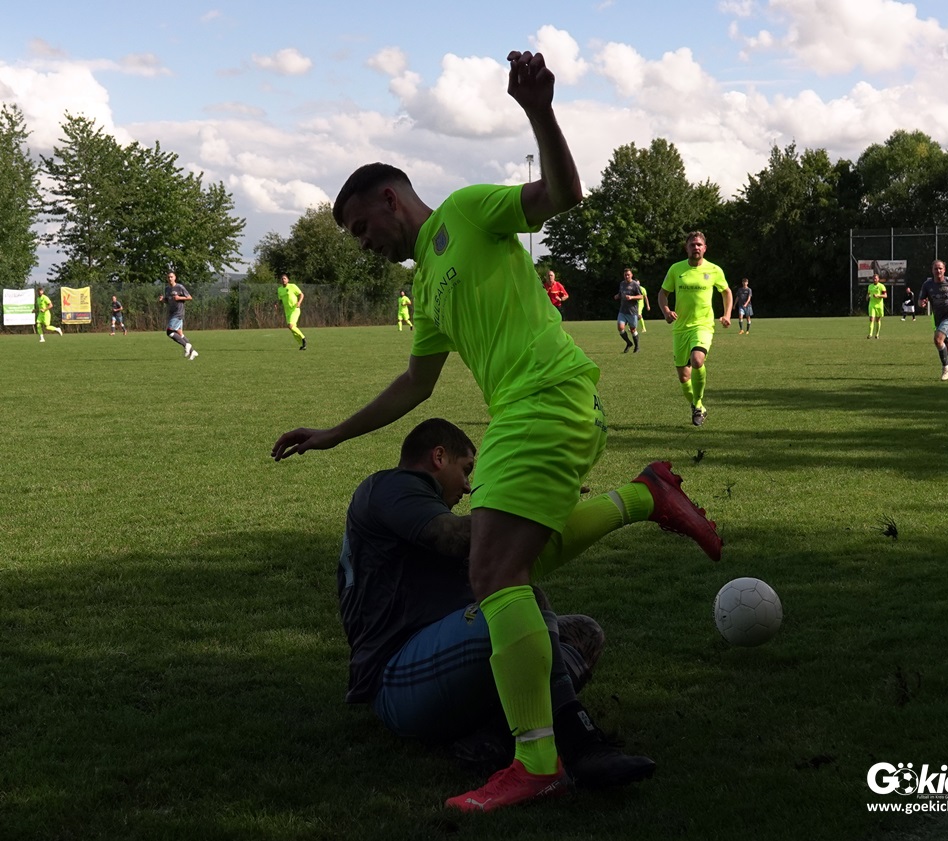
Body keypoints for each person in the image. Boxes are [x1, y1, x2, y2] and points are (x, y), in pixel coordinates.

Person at [273, 48, 722, 813]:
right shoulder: (429, 284)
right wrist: (335, 433)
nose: (362, 243)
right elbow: (416, 383)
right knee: (519, 559)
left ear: (390, 199)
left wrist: (539, 111)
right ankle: (645, 496)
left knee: (493, 576)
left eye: (360, 227)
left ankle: (537, 760)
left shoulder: (467, 211)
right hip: (524, 409)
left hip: (545, 395)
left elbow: (564, 193)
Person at [341, 417, 659, 789]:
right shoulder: (394, 485)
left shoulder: (409, 505)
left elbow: (505, 549)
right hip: (396, 680)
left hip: (439, 667)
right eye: (466, 469)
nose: (468, 485)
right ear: (438, 457)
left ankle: (492, 736)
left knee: (583, 634)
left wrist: (546, 507)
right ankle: (578, 740)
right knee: (522, 601)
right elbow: (453, 537)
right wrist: (533, 505)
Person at [659, 232, 733, 427]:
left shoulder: (714, 270)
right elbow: (663, 293)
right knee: (684, 377)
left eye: (699, 244)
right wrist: (666, 311)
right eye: (692, 245)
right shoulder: (676, 269)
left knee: (697, 360)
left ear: (705, 248)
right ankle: (698, 406)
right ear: (687, 248)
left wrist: (727, 314)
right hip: (680, 328)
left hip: (703, 325)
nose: (696, 247)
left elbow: (726, 292)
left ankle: (698, 405)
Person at [158, 271, 198, 360]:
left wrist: (179, 297)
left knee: (169, 332)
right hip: (171, 313)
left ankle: (186, 345)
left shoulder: (179, 287)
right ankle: (192, 351)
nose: (170, 278)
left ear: (175, 277)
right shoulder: (167, 289)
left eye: (171, 277)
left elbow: (189, 297)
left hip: (178, 313)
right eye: (168, 277)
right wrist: (163, 300)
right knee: (180, 333)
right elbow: (168, 300)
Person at [614, 268, 642, 353]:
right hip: (623, 310)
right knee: (620, 328)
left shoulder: (635, 284)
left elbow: (641, 296)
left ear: (631, 275)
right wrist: (617, 296)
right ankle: (629, 343)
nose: (626, 276)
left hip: (632, 311)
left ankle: (637, 347)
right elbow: (621, 293)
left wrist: (632, 297)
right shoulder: (622, 284)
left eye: (628, 275)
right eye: (625, 275)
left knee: (633, 329)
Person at [277, 274, 307, 350]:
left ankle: (303, 338)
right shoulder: (279, 289)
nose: (283, 280)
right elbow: (280, 300)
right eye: (282, 279)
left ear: (288, 280)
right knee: (292, 328)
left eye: (285, 278)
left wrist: (299, 302)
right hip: (287, 311)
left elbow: (301, 294)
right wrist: (277, 305)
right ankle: (302, 344)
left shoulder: (292, 286)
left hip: (295, 309)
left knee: (290, 326)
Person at [866, 272, 887, 339]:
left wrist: (878, 296)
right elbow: (868, 295)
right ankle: (870, 334)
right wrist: (867, 297)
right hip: (872, 304)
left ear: (878, 279)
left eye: (875, 278)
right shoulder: (870, 286)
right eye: (873, 278)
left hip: (879, 305)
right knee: (871, 319)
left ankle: (877, 334)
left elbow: (885, 295)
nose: (874, 279)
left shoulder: (881, 286)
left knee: (877, 320)